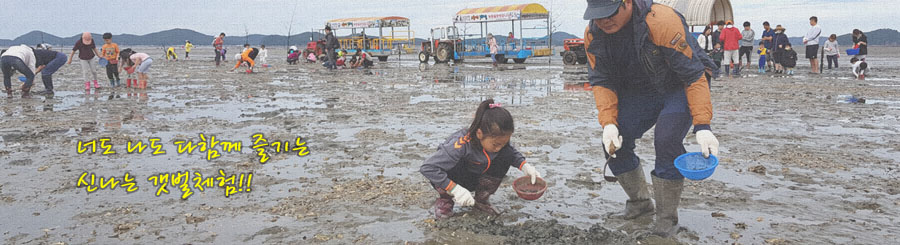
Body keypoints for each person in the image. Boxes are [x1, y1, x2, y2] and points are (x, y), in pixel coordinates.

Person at [583, 0, 719, 237]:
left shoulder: (661, 20)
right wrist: (609, 123)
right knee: (615, 144)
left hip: (678, 85)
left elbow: (693, 76)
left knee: (666, 140)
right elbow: (602, 81)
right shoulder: (594, 35)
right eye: (598, 15)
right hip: (641, 90)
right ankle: (640, 203)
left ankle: (667, 219)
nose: (604, 20)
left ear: (627, 2)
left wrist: (703, 125)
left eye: (611, 12)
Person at [419, 99, 541, 219]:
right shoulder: (460, 145)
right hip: (455, 178)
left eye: (503, 143)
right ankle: (445, 200)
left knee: (507, 154)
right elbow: (428, 168)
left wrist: (525, 166)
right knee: (449, 167)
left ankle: (481, 200)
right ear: (479, 134)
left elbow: (511, 153)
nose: (499, 148)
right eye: (495, 144)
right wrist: (454, 189)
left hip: (476, 177)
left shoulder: (499, 145)